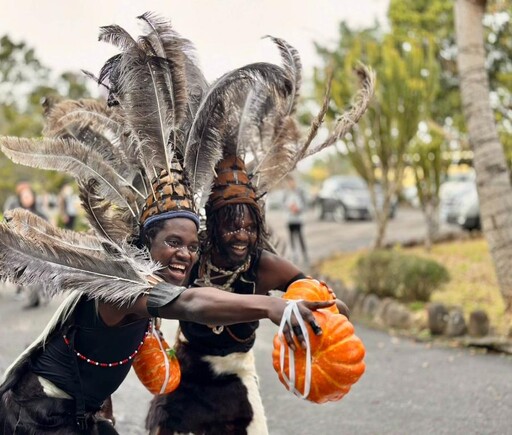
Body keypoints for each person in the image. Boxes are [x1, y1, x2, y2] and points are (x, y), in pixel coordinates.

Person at [0, 15, 332, 434]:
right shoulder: (129, 285)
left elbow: (85, 351)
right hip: (34, 419)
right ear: (145, 243)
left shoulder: (145, 282)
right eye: (173, 242)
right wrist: (272, 306)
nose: (185, 254)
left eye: (191, 247)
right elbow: (190, 303)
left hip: (75, 414)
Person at [145, 30, 374, 434]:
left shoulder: (266, 267)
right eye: (231, 224)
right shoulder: (190, 260)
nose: (241, 234)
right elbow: (166, 297)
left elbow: (319, 301)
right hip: (184, 380)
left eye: (249, 225)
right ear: (212, 227)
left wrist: (331, 319)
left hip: (237, 383)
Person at [3, 180, 48, 308]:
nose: (27, 198)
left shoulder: (39, 212)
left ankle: (38, 296)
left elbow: (47, 227)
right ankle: (32, 297)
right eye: (24, 196)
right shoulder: (15, 210)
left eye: (29, 196)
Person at [284, 175, 309, 266]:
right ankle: (295, 255)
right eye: (289, 182)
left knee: (300, 238)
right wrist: (289, 207)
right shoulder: (286, 193)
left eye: (292, 182)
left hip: (298, 219)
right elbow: (283, 204)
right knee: (291, 238)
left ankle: (305, 255)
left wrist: (298, 209)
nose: (291, 184)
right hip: (290, 219)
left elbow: (305, 204)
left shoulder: (299, 192)